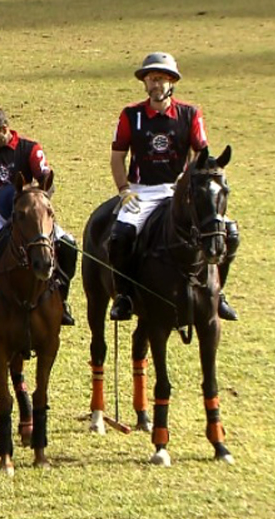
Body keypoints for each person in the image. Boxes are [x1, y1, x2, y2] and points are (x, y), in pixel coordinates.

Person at [109, 52, 238, 321]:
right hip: (142, 191)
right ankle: (124, 295)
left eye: (161, 79)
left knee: (228, 232)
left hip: (179, 190)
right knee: (120, 235)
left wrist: (193, 183)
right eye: (151, 79)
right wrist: (124, 189)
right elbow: (118, 156)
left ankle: (219, 294)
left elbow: (201, 153)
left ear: (171, 82)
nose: (156, 85)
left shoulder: (190, 114)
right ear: (145, 84)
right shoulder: (131, 115)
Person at [0, 105, 78, 332]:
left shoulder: (29, 149)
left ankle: (62, 300)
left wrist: (33, 198)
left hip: (28, 217)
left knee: (68, 245)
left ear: (4, 129)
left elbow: (47, 179)